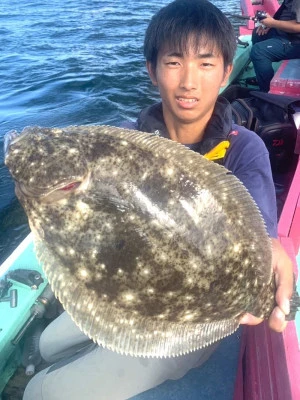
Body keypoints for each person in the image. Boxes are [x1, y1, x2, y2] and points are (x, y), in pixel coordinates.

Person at [23, 1, 294, 399]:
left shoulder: (244, 148)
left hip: (192, 316)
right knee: (48, 344)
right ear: (152, 70)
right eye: (173, 62)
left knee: (42, 393)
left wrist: (273, 254)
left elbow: (263, 234)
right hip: (128, 281)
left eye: (205, 63)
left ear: (224, 71)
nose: (189, 81)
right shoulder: (122, 141)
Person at [250, 0, 300, 92]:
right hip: (284, 34)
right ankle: (262, 78)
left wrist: (273, 23)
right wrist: (268, 24)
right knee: (257, 33)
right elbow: (281, 15)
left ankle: (267, 94)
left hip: (294, 42)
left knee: (258, 51)